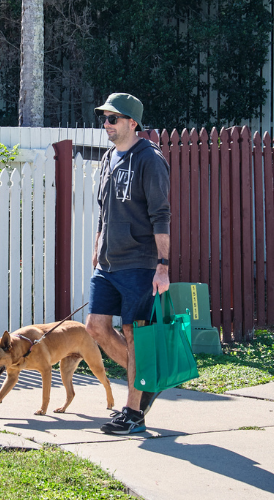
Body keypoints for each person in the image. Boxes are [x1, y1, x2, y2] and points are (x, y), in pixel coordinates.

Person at [85, 93, 171, 435]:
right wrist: (97, 247)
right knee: (95, 327)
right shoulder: (109, 157)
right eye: (104, 118)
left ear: (132, 122)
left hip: (139, 263)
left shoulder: (150, 159)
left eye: (113, 119)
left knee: (134, 333)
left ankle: (133, 413)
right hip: (107, 263)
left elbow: (161, 215)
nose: (106, 124)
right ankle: (145, 382)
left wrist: (162, 265)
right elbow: (105, 209)